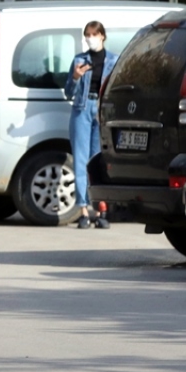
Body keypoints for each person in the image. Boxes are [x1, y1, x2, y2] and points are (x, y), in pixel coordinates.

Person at [64, 21, 117, 229]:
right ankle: (84, 210)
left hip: (103, 111)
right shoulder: (80, 59)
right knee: (81, 160)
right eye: (87, 35)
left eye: (94, 34)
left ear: (102, 36)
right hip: (81, 109)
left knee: (99, 160)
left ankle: (101, 209)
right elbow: (68, 91)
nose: (90, 38)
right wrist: (76, 77)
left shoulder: (113, 60)